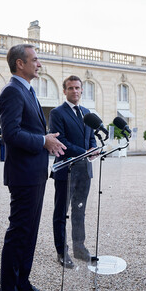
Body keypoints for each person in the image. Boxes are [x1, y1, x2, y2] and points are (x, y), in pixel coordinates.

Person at [0, 44, 66, 291]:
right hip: (23, 175)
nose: (39, 64)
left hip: (35, 173)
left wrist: (49, 141)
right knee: (18, 235)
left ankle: (22, 285)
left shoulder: (28, 90)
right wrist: (42, 140)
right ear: (19, 64)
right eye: (35, 60)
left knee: (30, 234)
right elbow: (11, 134)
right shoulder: (12, 92)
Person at [49, 75, 97, 268]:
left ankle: (79, 248)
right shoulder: (57, 113)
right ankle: (62, 252)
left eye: (77, 88)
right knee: (61, 212)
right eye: (71, 88)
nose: (75, 91)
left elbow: (90, 137)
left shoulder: (87, 113)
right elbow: (62, 143)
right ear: (64, 91)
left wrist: (93, 149)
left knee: (79, 211)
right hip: (65, 170)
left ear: (82, 90)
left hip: (84, 170)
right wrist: (85, 152)